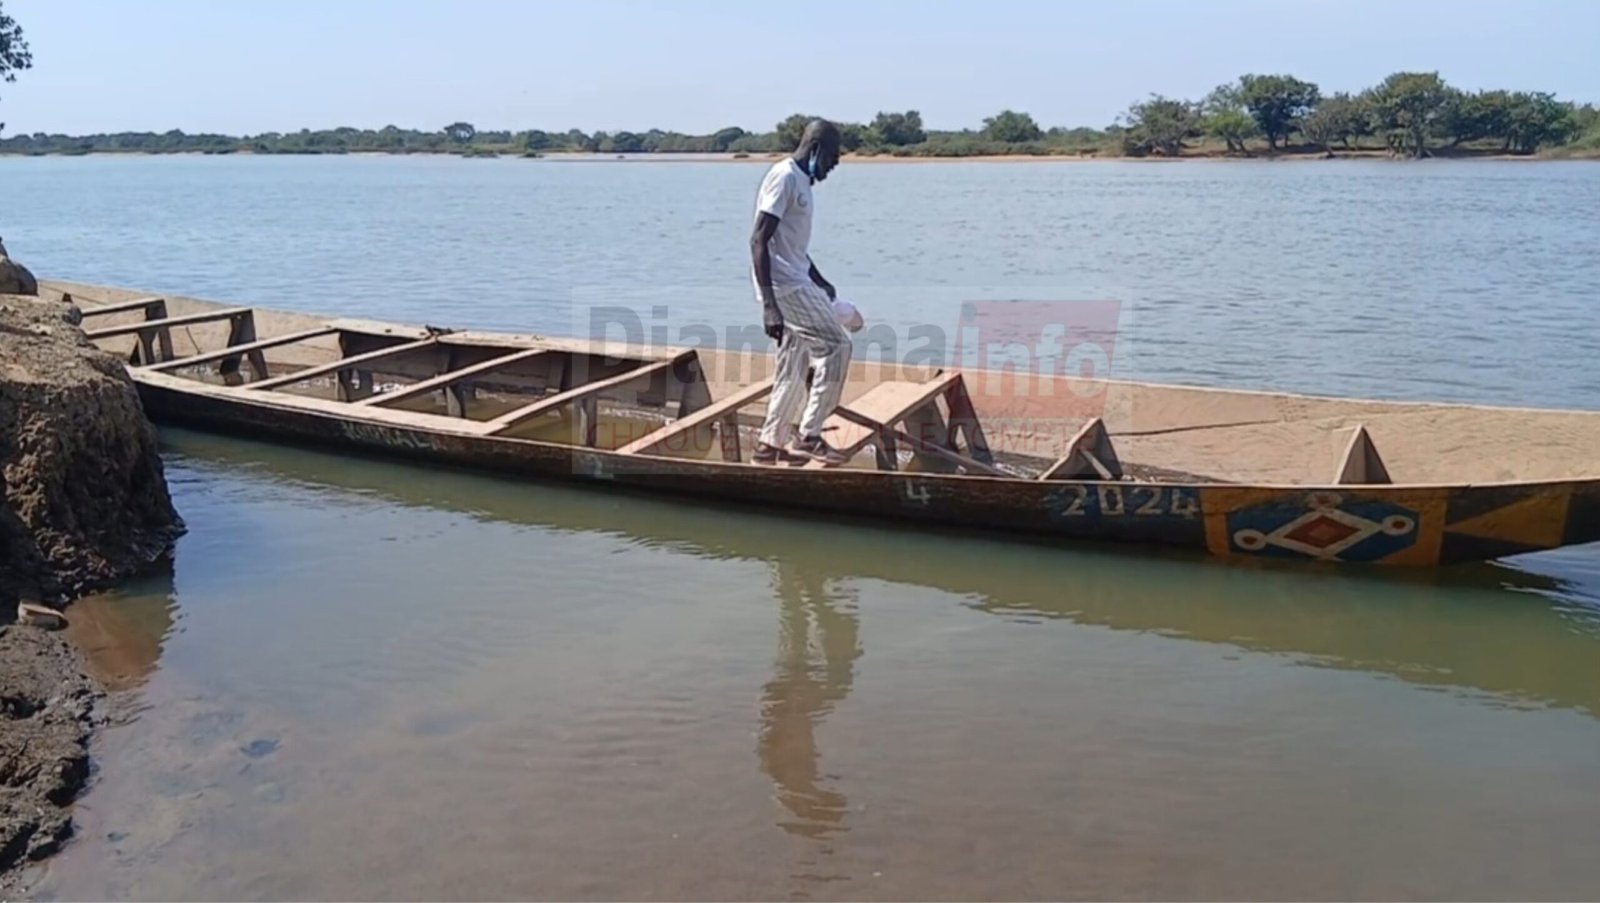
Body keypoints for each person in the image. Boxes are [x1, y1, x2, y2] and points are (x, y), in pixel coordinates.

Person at [749, 119, 851, 466]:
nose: (832, 167)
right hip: (783, 286)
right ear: (816, 149)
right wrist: (769, 306)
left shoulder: (802, 182)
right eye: (832, 159)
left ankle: (769, 445)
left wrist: (820, 280)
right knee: (837, 346)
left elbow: (791, 248)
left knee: (794, 364)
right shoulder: (785, 177)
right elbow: (759, 240)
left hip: (795, 278)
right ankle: (809, 435)